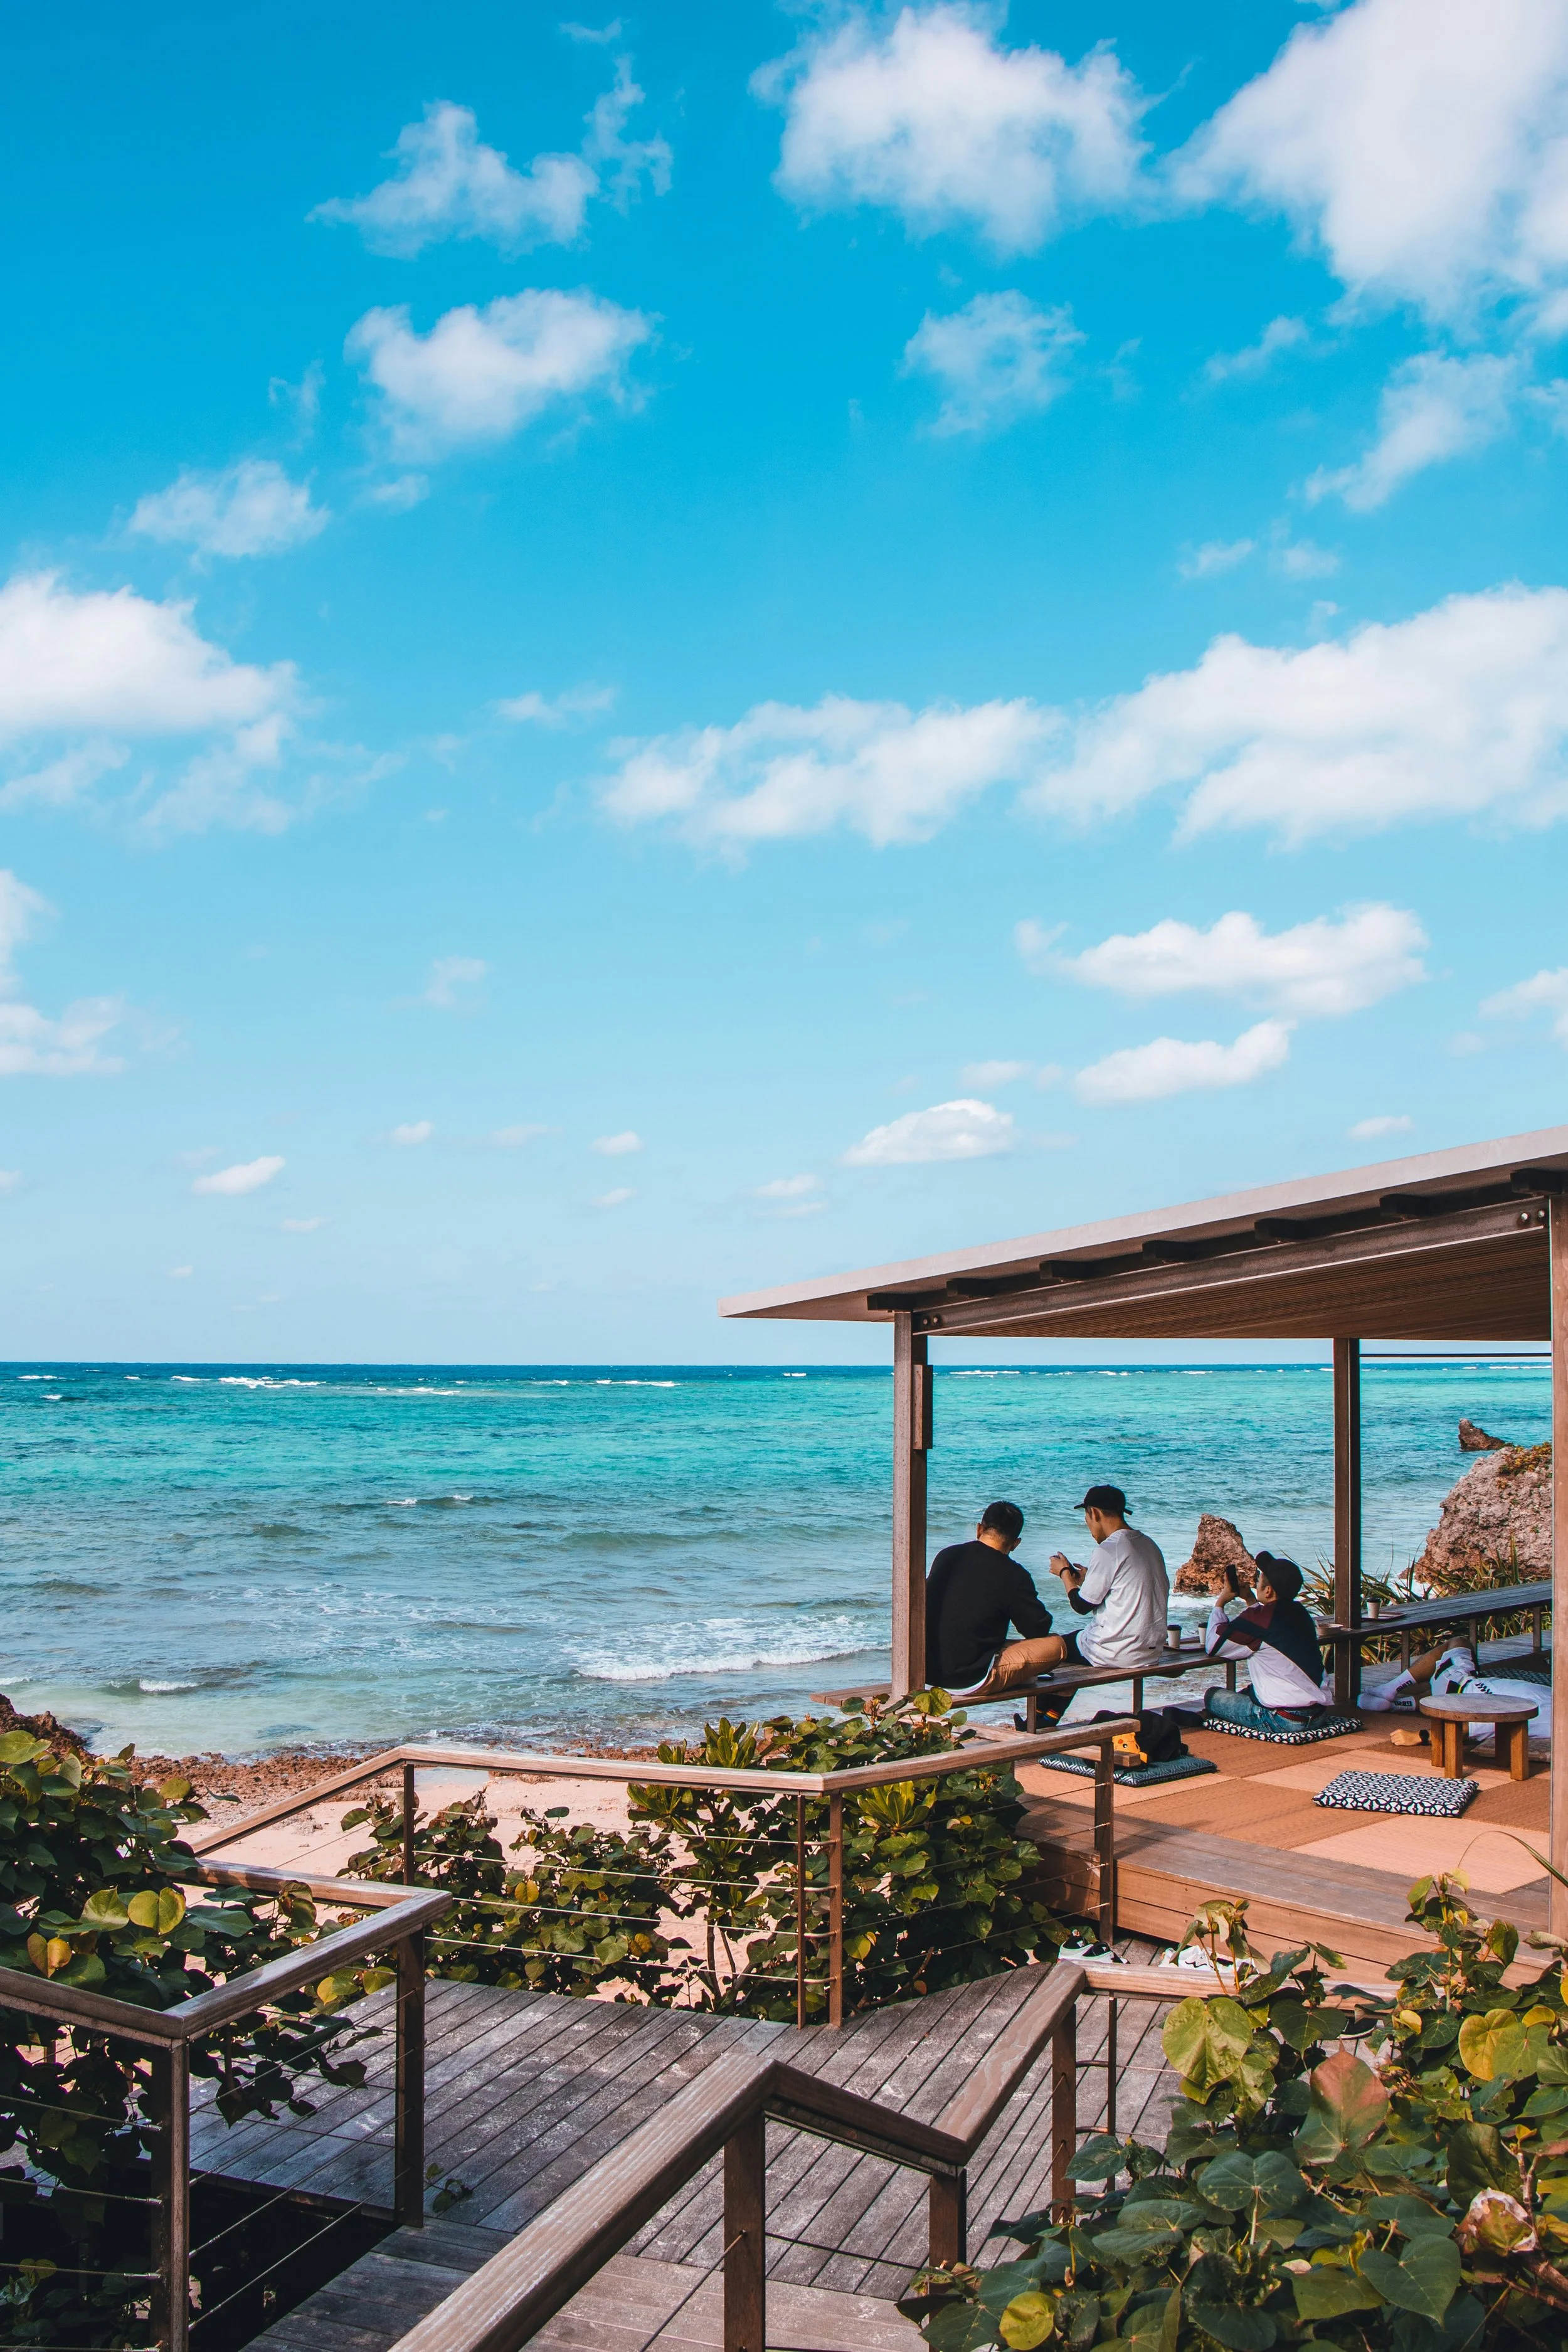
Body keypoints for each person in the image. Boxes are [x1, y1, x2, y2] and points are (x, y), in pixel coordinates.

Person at [924, 1502, 1056, 1695]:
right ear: (1016, 1543)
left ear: (980, 1529)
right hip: (968, 1680)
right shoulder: (1014, 1574)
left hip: (927, 1673)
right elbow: (1037, 1629)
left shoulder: (947, 1555)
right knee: (1057, 1645)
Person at [1202, 1552, 1337, 1734]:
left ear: (1268, 1591)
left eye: (1258, 1580)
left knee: (1213, 1696)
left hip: (1283, 1721)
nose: (1256, 1583)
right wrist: (1250, 1599)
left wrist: (1221, 1602)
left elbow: (1214, 1645)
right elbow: (1266, 1629)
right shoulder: (1301, 1613)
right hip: (1318, 1716)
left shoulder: (1260, 1618)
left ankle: (1201, 1718)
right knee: (1249, 1691)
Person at [1042, 1485, 1170, 1672]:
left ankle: (1049, 1699)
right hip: (1150, 1651)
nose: (1090, 1528)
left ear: (1094, 1513)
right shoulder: (1149, 1544)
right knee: (1073, 1643)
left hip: (1116, 1651)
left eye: (1087, 1520)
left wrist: (1064, 1574)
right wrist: (1086, 1580)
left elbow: (1081, 1606)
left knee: (1049, 1650)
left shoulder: (1109, 1549)